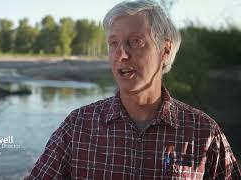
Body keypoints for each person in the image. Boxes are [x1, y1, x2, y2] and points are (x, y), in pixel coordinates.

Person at [25, 0, 241, 179]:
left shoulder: (204, 133)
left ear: (165, 50)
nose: (121, 54)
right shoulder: (78, 127)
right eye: (113, 43)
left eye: (135, 42)